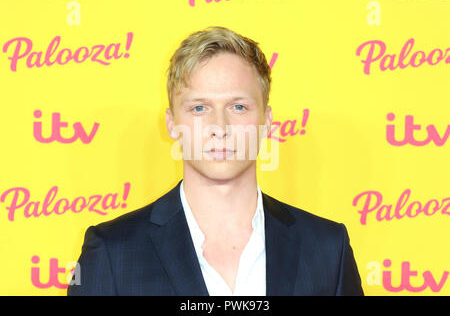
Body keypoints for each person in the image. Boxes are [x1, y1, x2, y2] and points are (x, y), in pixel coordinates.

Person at [67, 26, 363, 296]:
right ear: (171, 123)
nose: (220, 127)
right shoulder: (112, 251)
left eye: (238, 106)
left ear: (266, 121)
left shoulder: (327, 249)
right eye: (199, 108)